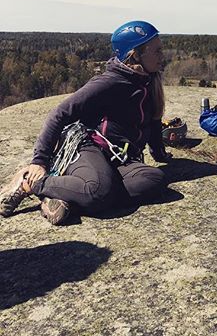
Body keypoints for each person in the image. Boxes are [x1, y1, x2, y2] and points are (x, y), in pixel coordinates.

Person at [0, 21, 171, 225]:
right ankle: (32, 184)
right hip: (89, 148)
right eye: (157, 51)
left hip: (121, 157)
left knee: (155, 180)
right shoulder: (110, 82)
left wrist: (159, 153)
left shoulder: (148, 81)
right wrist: (39, 161)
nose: (163, 56)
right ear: (135, 55)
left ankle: (68, 197)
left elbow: (153, 120)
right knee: (98, 191)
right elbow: (59, 113)